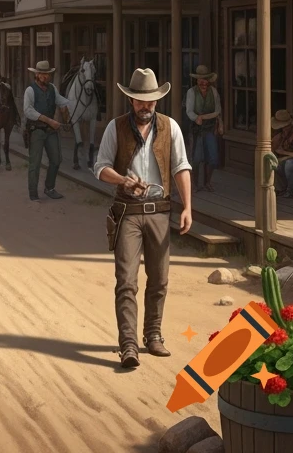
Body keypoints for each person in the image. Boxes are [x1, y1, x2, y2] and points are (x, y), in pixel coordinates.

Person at [93, 68, 192, 370]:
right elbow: (100, 167)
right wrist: (122, 180)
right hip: (127, 213)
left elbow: (180, 166)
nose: (145, 106)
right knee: (126, 281)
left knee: (159, 279)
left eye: (150, 101)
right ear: (131, 100)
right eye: (139, 100)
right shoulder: (116, 127)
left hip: (160, 211)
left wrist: (188, 206)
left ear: (157, 101)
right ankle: (128, 345)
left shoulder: (170, 127)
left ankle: (153, 335)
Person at [23, 60, 72, 202]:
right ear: (37, 75)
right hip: (36, 130)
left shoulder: (52, 89)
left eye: (47, 74)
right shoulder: (30, 90)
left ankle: (49, 188)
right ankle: (33, 193)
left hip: (50, 131)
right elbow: (28, 111)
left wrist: (73, 105)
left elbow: (61, 101)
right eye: (42, 74)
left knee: (56, 159)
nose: (45, 77)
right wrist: (49, 120)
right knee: (35, 163)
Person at [185, 65, 222, 193]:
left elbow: (217, 111)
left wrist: (205, 117)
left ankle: (207, 182)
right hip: (197, 129)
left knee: (212, 157)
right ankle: (195, 184)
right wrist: (197, 118)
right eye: (201, 80)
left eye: (205, 80)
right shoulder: (191, 92)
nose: (203, 82)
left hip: (210, 128)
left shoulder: (214, 92)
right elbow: (189, 111)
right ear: (197, 81)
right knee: (195, 158)